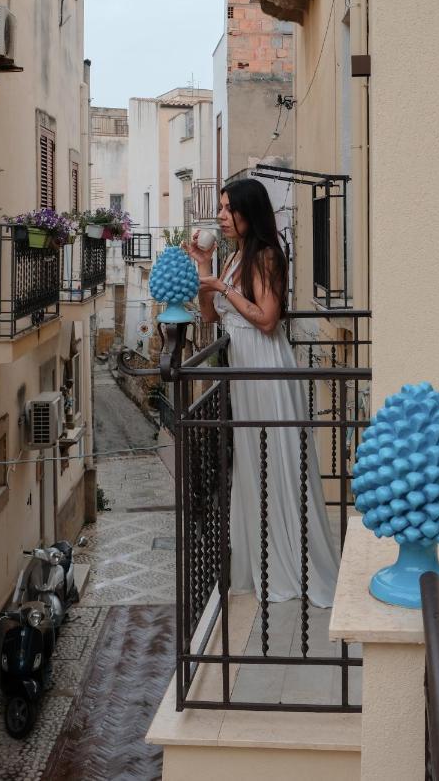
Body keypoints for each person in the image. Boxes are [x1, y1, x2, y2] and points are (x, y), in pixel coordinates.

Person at [185, 177, 339, 608]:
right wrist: (204, 269)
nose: (220, 216)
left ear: (249, 213)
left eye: (227, 208)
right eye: (220, 208)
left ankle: (293, 560)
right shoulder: (234, 258)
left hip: (266, 369)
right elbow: (211, 318)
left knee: (278, 460)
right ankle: (265, 559)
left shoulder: (268, 256)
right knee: (254, 463)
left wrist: (222, 287)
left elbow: (268, 319)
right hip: (245, 370)